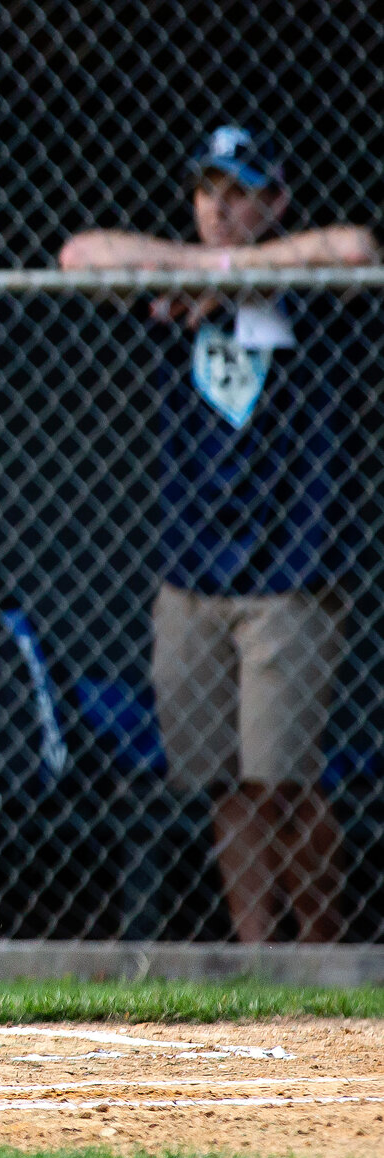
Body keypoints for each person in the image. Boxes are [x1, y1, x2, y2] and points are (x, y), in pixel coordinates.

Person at [59, 126, 376, 943]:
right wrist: (201, 273)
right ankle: (259, 957)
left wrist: (238, 274)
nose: (219, 208)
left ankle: (324, 951)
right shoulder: (174, 287)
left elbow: (353, 245)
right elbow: (80, 254)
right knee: (224, 783)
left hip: (291, 572)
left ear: (275, 202)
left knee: (283, 779)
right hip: (192, 575)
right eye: (207, 192)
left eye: (239, 193)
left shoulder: (304, 287)